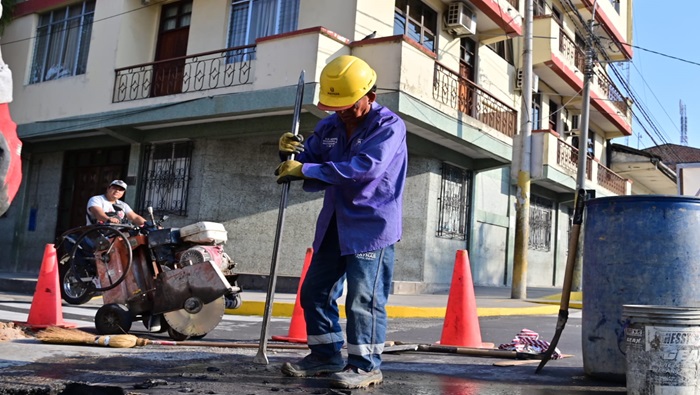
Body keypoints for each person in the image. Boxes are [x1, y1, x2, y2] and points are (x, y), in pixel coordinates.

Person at [275, 55, 408, 389]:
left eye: (348, 105)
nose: (342, 112)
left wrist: (304, 169)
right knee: (315, 292)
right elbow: (307, 161)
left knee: (363, 299)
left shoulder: (388, 126)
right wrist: (289, 154)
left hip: (371, 227)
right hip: (335, 222)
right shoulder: (330, 126)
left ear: (370, 97)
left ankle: (365, 367)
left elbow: (365, 169)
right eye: (335, 106)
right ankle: (325, 356)